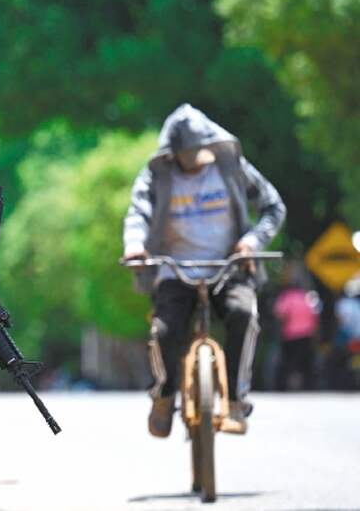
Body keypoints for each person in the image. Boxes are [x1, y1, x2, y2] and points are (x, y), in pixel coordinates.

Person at [123, 103, 286, 437]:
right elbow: (137, 212)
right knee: (165, 332)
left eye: (198, 149)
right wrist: (135, 245)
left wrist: (251, 243)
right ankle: (165, 395)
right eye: (185, 152)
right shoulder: (158, 174)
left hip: (228, 265)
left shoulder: (231, 167)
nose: (193, 158)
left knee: (243, 314)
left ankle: (238, 401)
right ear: (172, 153)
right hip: (175, 269)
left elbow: (273, 206)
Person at [272, 263, 319, 390]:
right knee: (306, 364)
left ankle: (283, 386)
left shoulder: (287, 297)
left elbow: (279, 314)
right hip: (307, 336)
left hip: (291, 335)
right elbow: (315, 315)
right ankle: (308, 386)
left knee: (287, 363)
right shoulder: (309, 297)